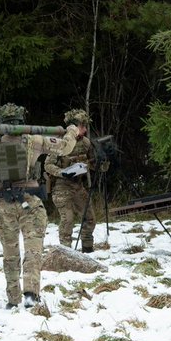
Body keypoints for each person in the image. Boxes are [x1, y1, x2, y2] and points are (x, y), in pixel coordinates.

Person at [0, 103, 84, 309]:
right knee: (33, 250)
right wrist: (72, 130)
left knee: (10, 254)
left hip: (5, 205)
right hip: (30, 202)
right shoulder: (34, 141)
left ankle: (13, 299)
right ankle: (30, 295)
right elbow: (65, 147)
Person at [44, 108, 98, 251]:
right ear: (73, 127)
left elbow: (94, 164)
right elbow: (47, 165)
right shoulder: (60, 142)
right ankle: (66, 252)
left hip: (77, 186)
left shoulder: (86, 143)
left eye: (85, 126)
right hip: (61, 187)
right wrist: (62, 172)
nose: (85, 130)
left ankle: (87, 249)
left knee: (90, 217)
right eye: (82, 126)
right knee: (67, 220)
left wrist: (102, 162)